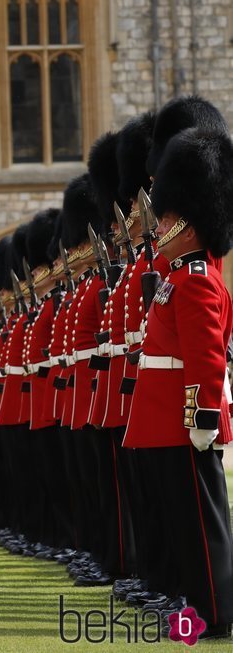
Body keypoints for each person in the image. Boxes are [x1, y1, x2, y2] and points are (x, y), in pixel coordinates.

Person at [124, 127, 233, 640]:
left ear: (188, 226)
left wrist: (204, 417)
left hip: (184, 419)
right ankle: (200, 607)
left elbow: (206, 357)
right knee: (182, 525)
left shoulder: (195, 280)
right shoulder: (175, 276)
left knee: (202, 527)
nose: (159, 224)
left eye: (166, 216)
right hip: (164, 417)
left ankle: (217, 614)